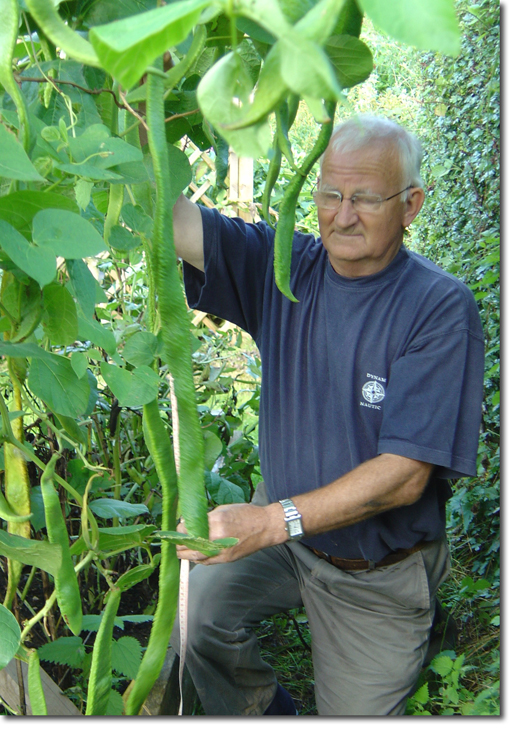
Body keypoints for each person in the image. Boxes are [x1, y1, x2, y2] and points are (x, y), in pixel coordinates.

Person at [169, 115, 485, 715]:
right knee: (197, 621)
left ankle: (421, 629)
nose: (342, 215)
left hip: (374, 574)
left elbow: (404, 473)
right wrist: (137, 105)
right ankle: (271, 713)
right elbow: (177, 222)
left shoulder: (439, 309)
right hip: (285, 540)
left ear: (411, 204)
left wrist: (271, 522)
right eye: (330, 194)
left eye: (365, 198)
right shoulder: (283, 267)